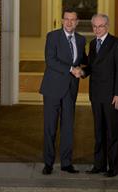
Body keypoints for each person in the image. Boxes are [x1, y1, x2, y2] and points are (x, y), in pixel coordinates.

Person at [40, 9, 87, 175]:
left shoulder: (81, 40)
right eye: (66, 19)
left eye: (72, 20)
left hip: (70, 90)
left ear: (77, 22)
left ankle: (67, 163)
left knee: (68, 127)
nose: (69, 22)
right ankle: (48, 163)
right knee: (50, 128)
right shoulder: (52, 37)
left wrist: (83, 72)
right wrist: (71, 69)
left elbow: (84, 62)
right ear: (61, 20)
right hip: (52, 89)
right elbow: (50, 60)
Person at [82, 13, 118, 178]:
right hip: (96, 94)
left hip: (111, 95)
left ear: (107, 26)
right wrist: (81, 72)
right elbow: (91, 67)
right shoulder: (93, 44)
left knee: (112, 132)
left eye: (100, 26)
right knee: (99, 131)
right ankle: (99, 165)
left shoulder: (117, 43)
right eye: (94, 26)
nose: (97, 29)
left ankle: (113, 168)